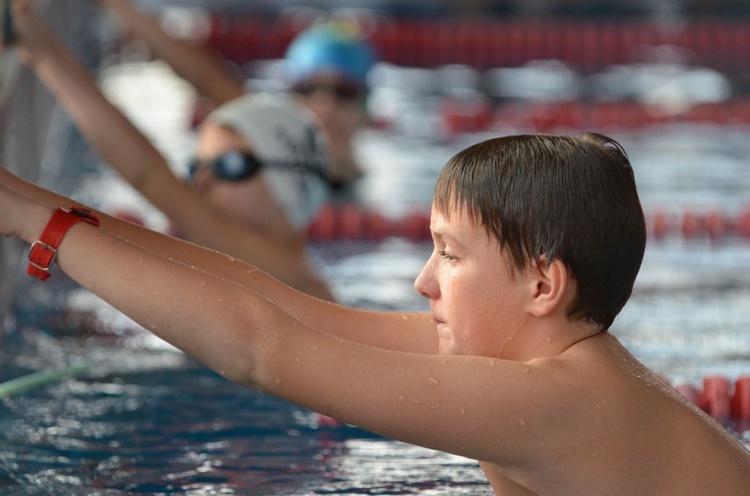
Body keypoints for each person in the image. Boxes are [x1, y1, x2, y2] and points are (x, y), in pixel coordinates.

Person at [2, 130, 750, 494]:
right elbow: (274, 304)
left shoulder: (559, 401)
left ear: (542, 287)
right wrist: (27, 204)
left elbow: (259, 351)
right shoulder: (541, 362)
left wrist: (45, 232)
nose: (424, 281)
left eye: (451, 255)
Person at [7, 0, 334, 301]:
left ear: (288, 184)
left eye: (230, 166)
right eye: (197, 166)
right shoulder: (275, 260)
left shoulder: (281, 267)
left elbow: (150, 176)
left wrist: (45, 54)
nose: (202, 181)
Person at [100, 0, 376, 188]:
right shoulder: (271, 142)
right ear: (290, 98)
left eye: (345, 92)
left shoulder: (376, 193)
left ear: (367, 107)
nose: (325, 104)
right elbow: (205, 78)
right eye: (309, 89)